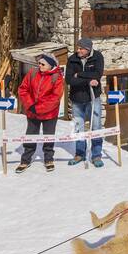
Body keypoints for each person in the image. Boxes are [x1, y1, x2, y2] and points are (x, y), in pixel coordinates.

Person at [15, 53, 64, 173]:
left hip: (49, 114)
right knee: (30, 136)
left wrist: (38, 108)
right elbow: (23, 89)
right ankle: (25, 160)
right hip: (32, 112)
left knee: (48, 136)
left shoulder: (56, 77)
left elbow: (55, 98)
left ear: (50, 65)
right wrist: (30, 105)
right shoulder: (32, 73)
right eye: (39, 63)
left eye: (43, 64)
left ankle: (48, 159)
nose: (40, 65)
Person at [65, 37, 105, 167]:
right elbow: (69, 80)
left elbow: (98, 74)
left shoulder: (97, 57)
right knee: (78, 128)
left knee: (96, 126)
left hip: (93, 98)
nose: (78, 50)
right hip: (77, 98)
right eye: (77, 47)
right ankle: (80, 154)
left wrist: (79, 74)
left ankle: (96, 155)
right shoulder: (72, 59)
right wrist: (88, 80)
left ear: (88, 49)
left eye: (81, 48)